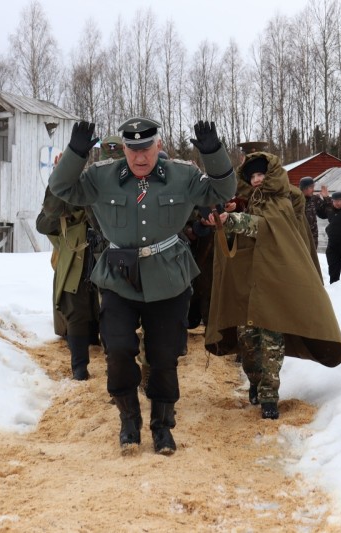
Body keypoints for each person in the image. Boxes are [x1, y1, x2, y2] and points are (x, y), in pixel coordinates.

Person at [48, 118, 236, 455]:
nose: (139, 157)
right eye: (132, 149)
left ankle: (162, 426)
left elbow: (223, 191)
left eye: (145, 148)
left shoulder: (183, 175)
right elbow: (63, 189)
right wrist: (77, 152)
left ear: (158, 146)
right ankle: (129, 420)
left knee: (164, 356)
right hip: (119, 278)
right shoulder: (101, 177)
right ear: (124, 149)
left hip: (168, 278)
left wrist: (213, 152)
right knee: (118, 349)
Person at [204, 151, 341, 419]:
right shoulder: (249, 200)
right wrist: (232, 212)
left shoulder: (284, 199)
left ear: (270, 174)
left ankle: (270, 395)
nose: (257, 180)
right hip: (248, 282)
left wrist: (233, 220)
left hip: (274, 281)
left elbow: (265, 226)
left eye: (261, 174)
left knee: (271, 340)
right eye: (252, 176)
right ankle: (256, 384)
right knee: (248, 340)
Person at [36, 185, 104, 381]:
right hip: (75, 260)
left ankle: (112, 367)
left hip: (103, 257)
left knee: (110, 313)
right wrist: (58, 184)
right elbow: (43, 224)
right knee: (75, 314)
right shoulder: (63, 198)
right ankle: (79, 368)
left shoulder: (100, 187)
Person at [299, 176, 323, 248]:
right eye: (311, 187)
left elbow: (325, 213)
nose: (313, 190)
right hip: (299, 237)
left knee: (312, 258)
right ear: (304, 188)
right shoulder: (295, 200)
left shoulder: (314, 199)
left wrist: (326, 198)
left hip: (312, 238)